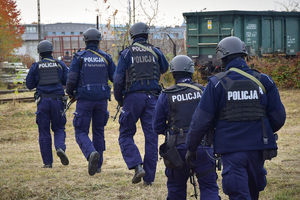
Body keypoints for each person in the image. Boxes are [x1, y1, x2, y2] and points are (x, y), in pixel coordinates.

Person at [185, 36, 286, 200]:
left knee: (239, 194)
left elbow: (201, 121)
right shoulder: (264, 80)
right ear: (244, 55)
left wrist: (191, 148)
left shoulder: (217, 83)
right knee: (253, 193)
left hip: (231, 151)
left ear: (222, 58)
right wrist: (261, 131)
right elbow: (278, 117)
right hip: (258, 149)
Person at [152, 55, 220, 200]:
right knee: (209, 188)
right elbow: (215, 119)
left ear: (173, 73)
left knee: (176, 188)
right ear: (191, 71)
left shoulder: (166, 94)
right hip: (203, 148)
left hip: (177, 151)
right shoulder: (204, 91)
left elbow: (157, 127)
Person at [113, 22, 169, 185]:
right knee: (151, 138)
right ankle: (148, 180)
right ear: (147, 34)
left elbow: (118, 80)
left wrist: (120, 99)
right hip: (153, 99)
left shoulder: (126, 53)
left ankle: (137, 166)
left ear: (132, 35)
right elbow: (165, 68)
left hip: (132, 99)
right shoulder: (156, 51)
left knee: (125, 134)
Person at [66, 28, 116, 176]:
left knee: (81, 131)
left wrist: (70, 93)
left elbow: (72, 78)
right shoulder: (106, 57)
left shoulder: (79, 57)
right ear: (99, 40)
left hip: (85, 100)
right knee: (99, 132)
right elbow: (116, 77)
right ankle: (98, 166)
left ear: (85, 41)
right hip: (101, 100)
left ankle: (91, 153)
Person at [26, 40, 69, 168]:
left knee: (44, 131)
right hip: (57, 101)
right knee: (59, 128)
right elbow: (68, 80)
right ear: (51, 51)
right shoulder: (60, 64)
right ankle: (60, 148)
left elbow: (29, 85)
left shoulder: (36, 66)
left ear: (39, 53)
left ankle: (47, 163)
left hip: (43, 102)